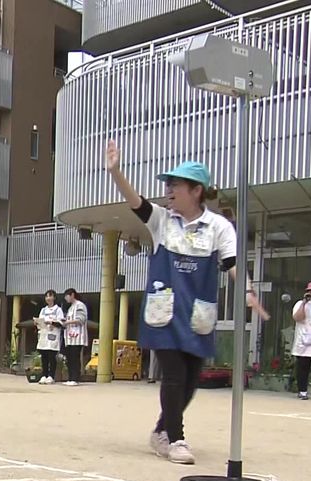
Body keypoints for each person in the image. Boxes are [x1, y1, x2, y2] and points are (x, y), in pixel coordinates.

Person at [106, 140, 266, 464]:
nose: (168, 189)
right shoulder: (162, 220)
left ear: (196, 190)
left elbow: (233, 262)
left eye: (175, 184)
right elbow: (135, 202)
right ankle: (176, 439)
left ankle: (161, 429)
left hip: (197, 314)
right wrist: (116, 172)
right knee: (175, 375)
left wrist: (248, 291)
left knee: (191, 382)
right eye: (167, 184)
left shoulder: (219, 227)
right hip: (164, 313)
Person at [34, 290, 64, 385]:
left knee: (52, 356)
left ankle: (51, 376)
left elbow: (61, 323)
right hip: (43, 335)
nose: (48, 298)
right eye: (46, 296)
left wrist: (52, 323)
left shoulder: (58, 310)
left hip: (53, 335)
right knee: (44, 356)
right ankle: (44, 375)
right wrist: (37, 322)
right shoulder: (43, 310)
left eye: (50, 296)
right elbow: (40, 321)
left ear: (54, 297)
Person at [61, 288, 88, 387]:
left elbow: (81, 319)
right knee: (69, 358)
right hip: (69, 337)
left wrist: (67, 322)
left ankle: (75, 378)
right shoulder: (71, 307)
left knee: (75, 357)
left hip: (77, 336)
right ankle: (70, 377)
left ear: (72, 295)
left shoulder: (80, 305)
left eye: (67, 296)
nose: (66, 299)